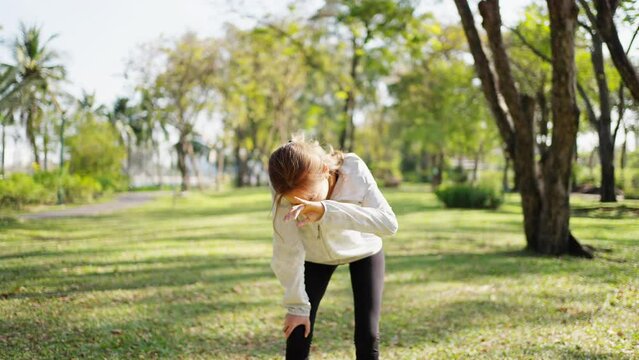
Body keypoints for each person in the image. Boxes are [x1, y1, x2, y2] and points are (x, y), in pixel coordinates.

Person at [268, 134, 398, 360]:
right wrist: (297, 307)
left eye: (307, 197)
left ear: (325, 172)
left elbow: (388, 223)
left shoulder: (353, 169)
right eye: (293, 201)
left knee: (367, 336)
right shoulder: (282, 186)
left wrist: (326, 210)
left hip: (364, 251)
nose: (300, 205)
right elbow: (286, 248)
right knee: (297, 333)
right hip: (315, 257)